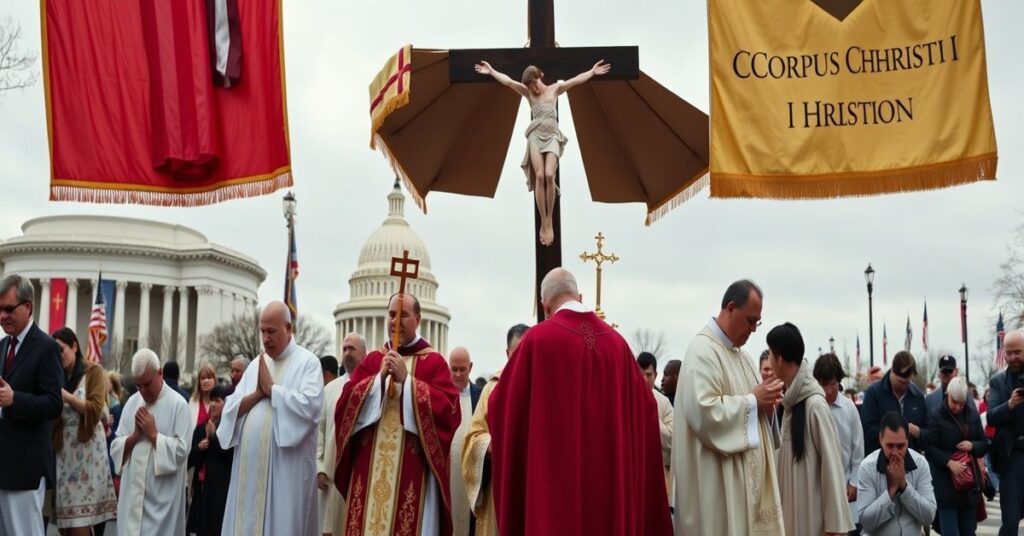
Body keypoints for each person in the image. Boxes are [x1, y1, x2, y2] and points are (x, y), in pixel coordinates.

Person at [488, 268, 672, 535]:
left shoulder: (536, 342)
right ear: (580, 296)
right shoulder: (619, 347)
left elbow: (502, 407)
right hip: (610, 500)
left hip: (554, 500)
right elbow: (646, 411)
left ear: (545, 306)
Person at [333, 292, 461, 536]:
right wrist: (377, 380)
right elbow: (344, 406)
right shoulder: (373, 360)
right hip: (368, 473)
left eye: (404, 315)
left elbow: (449, 413)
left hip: (413, 474)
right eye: (392, 314)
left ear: (418, 319)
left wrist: (409, 382)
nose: (396, 321)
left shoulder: (433, 363)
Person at [673, 279, 785, 536]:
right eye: (750, 320)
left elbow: (757, 411)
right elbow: (704, 413)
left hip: (746, 491)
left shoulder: (743, 357)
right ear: (731, 307)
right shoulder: (702, 351)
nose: (754, 329)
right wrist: (754, 401)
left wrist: (767, 409)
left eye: (758, 322)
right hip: (717, 491)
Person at [473, 59, 610, 246]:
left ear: (540, 76)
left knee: (548, 174)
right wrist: (491, 71)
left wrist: (592, 72)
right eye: (530, 87)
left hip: (552, 135)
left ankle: (550, 220)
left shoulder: (554, 89)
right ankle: (544, 221)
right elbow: (508, 82)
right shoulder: (528, 93)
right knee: (539, 177)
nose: (535, 90)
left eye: (535, 84)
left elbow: (576, 80)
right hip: (536, 136)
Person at [219, 301, 324, 535]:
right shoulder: (257, 364)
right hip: (249, 475)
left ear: (288, 328)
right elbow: (231, 408)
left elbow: (310, 408)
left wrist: (273, 391)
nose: (265, 338)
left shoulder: (307, 363)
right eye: (262, 331)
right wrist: (258, 393)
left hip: (285, 475)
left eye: (271, 331)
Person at [766, 324, 853, 536]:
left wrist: (834, 527)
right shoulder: (790, 403)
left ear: (779, 358)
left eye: (769, 353)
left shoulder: (814, 405)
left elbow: (832, 466)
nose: (768, 361)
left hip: (812, 521)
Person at [0, 274, 63, 536]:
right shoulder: (2, 346)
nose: (2, 316)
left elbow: (54, 403)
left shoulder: (46, 347)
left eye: (8, 308)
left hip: (26, 469)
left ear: (28, 306)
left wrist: (16, 400)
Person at [110, 348, 192, 536]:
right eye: (138, 386)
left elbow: (182, 451)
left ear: (160, 372)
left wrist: (154, 434)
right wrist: (133, 437)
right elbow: (116, 447)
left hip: (163, 503)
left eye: (147, 384)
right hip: (132, 500)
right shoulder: (132, 402)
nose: (143, 391)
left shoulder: (179, 405)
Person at [461, 323, 528, 536]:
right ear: (507, 353)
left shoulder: (542, 387)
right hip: (499, 485)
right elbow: (474, 436)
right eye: (516, 353)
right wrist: (493, 445)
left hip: (531, 484)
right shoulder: (492, 388)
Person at [50, 328, 117, 534]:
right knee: (65, 526)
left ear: (75, 346)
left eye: (61, 349)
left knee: (80, 524)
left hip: (87, 455)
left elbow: (96, 410)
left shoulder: (93, 371)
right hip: (63, 456)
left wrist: (68, 397)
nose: (58, 355)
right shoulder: (56, 375)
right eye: (55, 351)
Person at [317, 333, 367, 536]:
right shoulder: (330, 389)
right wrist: (318, 467)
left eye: (352, 349)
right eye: (344, 349)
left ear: (364, 353)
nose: (347, 353)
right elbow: (319, 431)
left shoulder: (372, 388)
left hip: (359, 477)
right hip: (330, 477)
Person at [924, 376, 987, 536]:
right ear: (947, 395)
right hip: (946, 486)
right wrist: (948, 462)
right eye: (954, 401)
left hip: (969, 486)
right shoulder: (937, 415)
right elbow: (929, 447)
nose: (957, 406)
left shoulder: (972, 415)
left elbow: (984, 444)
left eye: (961, 402)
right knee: (950, 532)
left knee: (968, 532)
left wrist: (972, 445)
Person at [855, 412, 936, 535]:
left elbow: (929, 516)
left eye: (900, 446)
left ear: (907, 441)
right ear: (880, 440)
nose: (895, 452)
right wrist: (891, 491)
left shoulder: (920, 464)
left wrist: (904, 486)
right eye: (890, 446)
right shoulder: (867, 467)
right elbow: (866, 522)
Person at [813, 352, 865, 532]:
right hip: (818, 491)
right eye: (824, 384)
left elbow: (858, 449)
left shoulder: (849, 409)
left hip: (844, 489)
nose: (828, 390)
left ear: (839, 382)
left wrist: (854, 482)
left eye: (833, 384)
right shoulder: (811, 408)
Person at [986, 329, 1024, 536]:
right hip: (1012, 458)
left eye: (1017, 352)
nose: (1012, 357)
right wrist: (1010, 404)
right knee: (1010, 521)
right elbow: (991, 416)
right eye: (1008, 353)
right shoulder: (998, 382)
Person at [186, 384, 233, 536]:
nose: (212, 404)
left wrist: (214, 438)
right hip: (201, 491)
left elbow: (230, 458)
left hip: (220, 493)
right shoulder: (201, 428)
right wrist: (199, 448)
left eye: (218, 400)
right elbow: (189, 460)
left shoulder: (231, 429)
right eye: (211, 400)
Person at [860, 351, 928, 455]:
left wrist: (919, 432)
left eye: (907, 382)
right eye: (900, 382)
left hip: (911, 462)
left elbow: (929, 433)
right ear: (892, 371)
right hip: (879, 460)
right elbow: (867, 429)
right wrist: (893, 434)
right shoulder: (874, 393)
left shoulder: (918, 397)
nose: (904, 386)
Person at [448, 346, 482, 536]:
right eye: (454, 369)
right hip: (447, 478)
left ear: (470, 367)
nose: (458, 374)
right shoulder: (439, 395)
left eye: (462, 369)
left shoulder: (481, 396)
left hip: (472, 481)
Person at [638, 351, 673, 496]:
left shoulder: (663, 402)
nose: (644, 379)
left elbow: (672, 439)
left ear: (655, 375)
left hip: (657, 473)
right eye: (640, 374)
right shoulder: (622, 399)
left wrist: (650, 414)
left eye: (648, 374)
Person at [189, 363, 217, 430]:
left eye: (209, 377)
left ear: (215, 380)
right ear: (199, 382)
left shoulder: (221, 402)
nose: (206, 381)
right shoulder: (193, 401)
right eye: (203, 378)